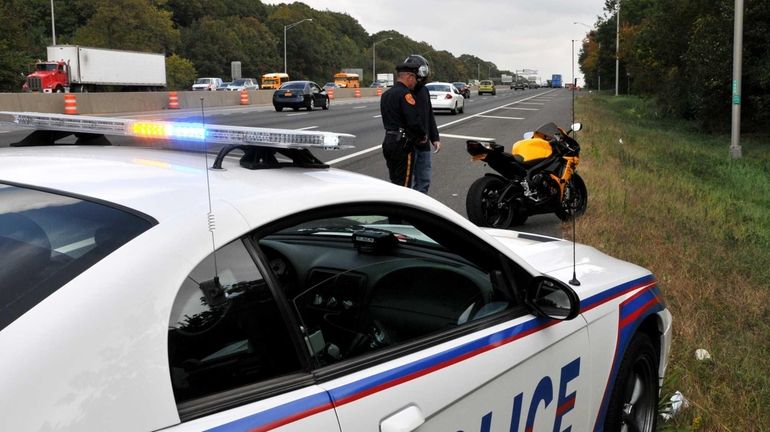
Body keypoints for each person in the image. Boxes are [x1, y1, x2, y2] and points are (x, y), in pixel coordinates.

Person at [379, 62, 427, 188]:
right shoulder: (405, 94)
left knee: (394, 182)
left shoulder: (386, 95)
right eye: (415, 78)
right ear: (409, 77)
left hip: (388, 141)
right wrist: (422, 135)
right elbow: (413, 121)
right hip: (402, 144)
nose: (416, 82)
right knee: (404, 186)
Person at [404, 54, 441, 194]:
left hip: (423, 144)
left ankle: (418, 209)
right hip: (408, 145)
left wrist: (435, 138)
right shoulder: (402, 92)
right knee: (406, 183)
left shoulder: (424, 91)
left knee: (424, 180)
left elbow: (429, 115)